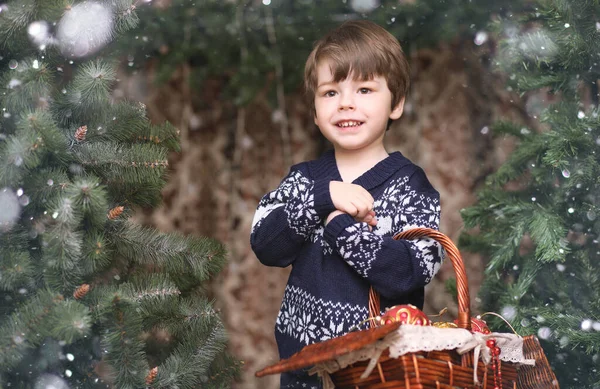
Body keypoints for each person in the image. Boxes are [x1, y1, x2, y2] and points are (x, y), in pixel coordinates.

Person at [250, 20, 443, 389]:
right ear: (314, 110)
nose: (346, 103)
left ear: (396, 104)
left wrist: (341, 227)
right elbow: (265, 244)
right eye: (330, 93)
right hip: (303, 365)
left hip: (379, 369)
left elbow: (409, 273)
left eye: (365, 89)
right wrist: (322, 199)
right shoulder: (304, 180)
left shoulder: (410, 185)